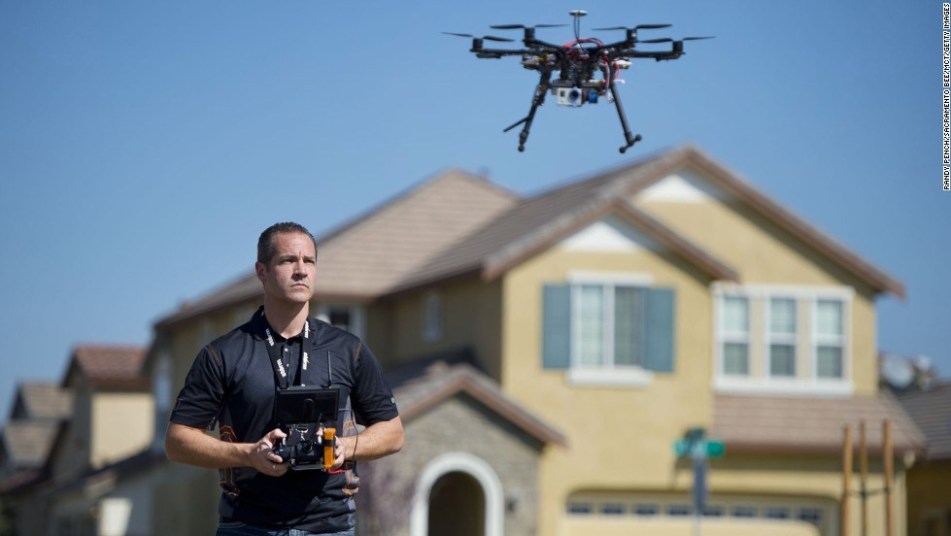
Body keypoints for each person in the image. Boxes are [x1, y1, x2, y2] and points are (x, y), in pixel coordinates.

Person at [166, 222, 404, 535]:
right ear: (261, 272)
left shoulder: (348, 349)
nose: (301, 270)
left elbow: (393, 432)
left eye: (309, 261)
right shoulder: (223, 354)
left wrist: (345, 446)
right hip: (249, 526)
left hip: (329, 527)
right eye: (288, 260)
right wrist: (251, 455)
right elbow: (177, 441)